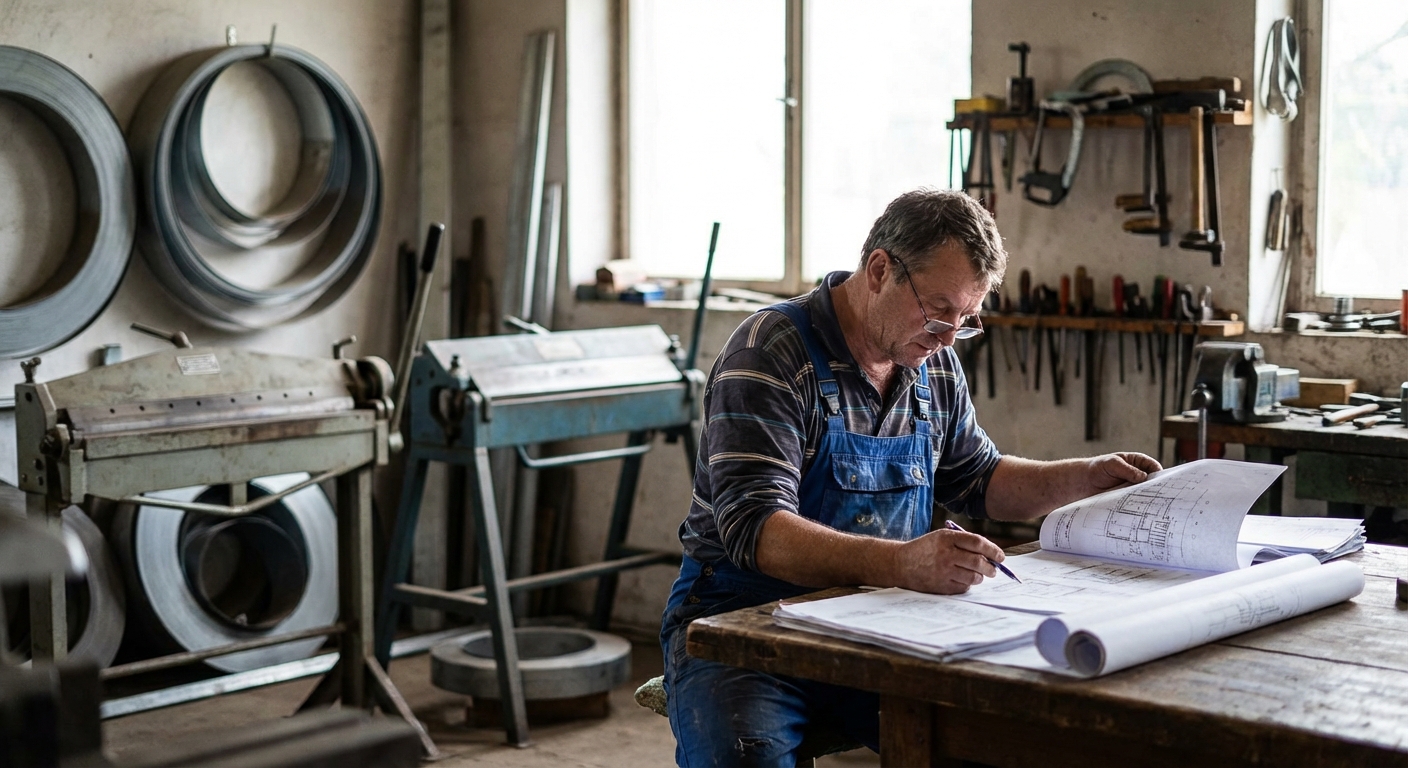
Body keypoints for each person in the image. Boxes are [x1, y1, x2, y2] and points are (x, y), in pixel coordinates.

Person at [658, 189, 1161, 766]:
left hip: (882, 620)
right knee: (745, 758)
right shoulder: (769, 352)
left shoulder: (930, 361)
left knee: (994, 739)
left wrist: (1089, 475)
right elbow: (758, 532)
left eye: (965, 321)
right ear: (879, 270)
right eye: (939, 311)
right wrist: (901, 564)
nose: (949, 337)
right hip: (744, 625)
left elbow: (979, 478)